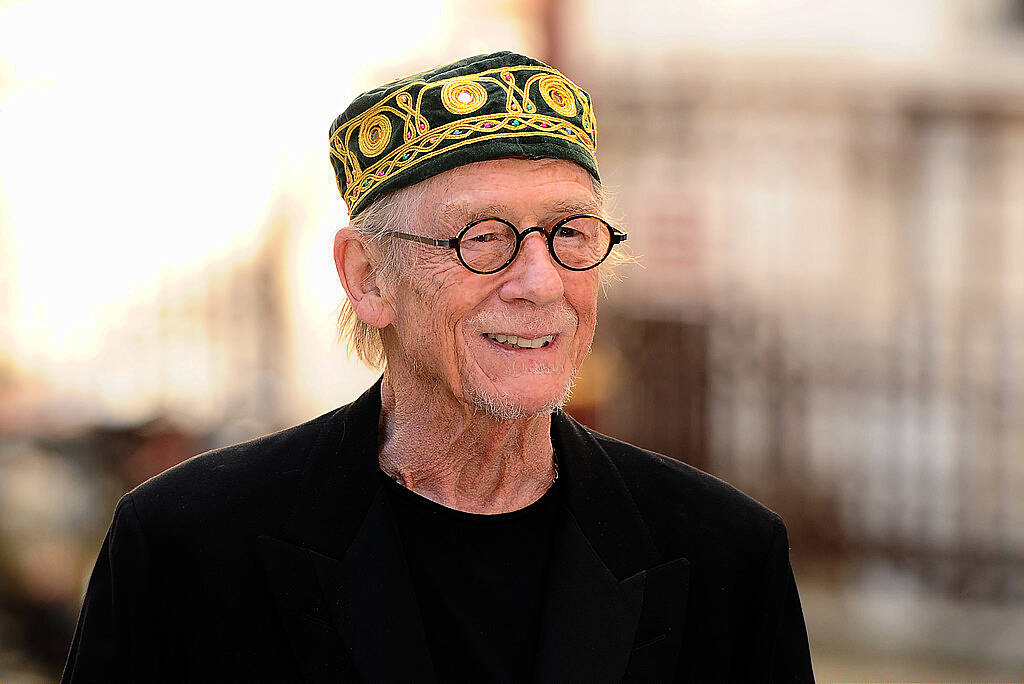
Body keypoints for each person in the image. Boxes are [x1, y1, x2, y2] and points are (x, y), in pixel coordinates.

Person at [62, 51, 814, 683]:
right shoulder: (187, 545)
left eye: (570, 233)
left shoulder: (725, 554)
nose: (540, 282)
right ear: (368, 278)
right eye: (482, 238)